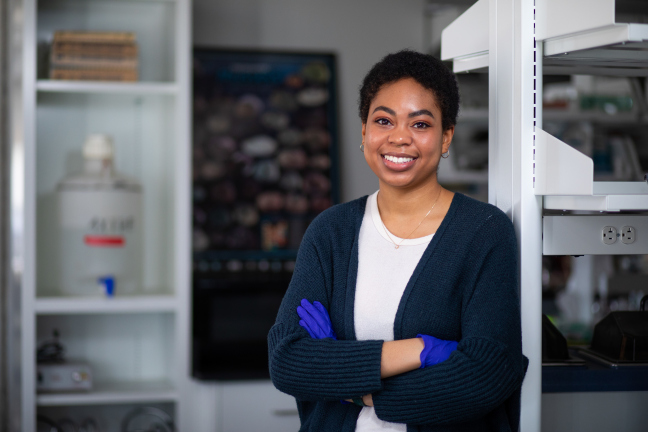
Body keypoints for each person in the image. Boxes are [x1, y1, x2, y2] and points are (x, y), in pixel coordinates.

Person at [268, 50, 528, 432]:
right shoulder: (331, 232)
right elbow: (288, 361)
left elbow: (485, 375)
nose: (400, 137)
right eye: (384, 120)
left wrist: (348, 379)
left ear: (446, 137)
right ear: (364, 132)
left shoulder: (484, 231)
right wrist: (420, 351)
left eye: (420, 124)